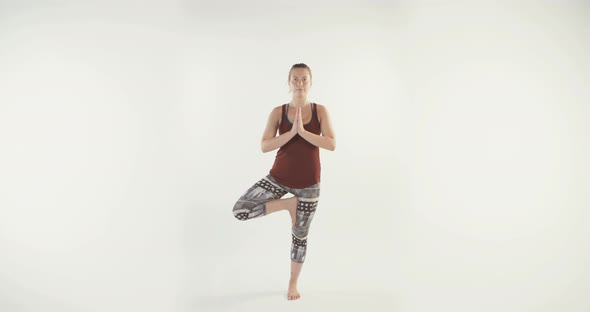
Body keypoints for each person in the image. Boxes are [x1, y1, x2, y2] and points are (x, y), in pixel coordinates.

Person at [232, 63, 336, 300]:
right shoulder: (278, 112)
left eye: (304, 79)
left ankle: (292, 284)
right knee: (241, 209)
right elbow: (264, 146)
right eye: (295, 79)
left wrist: (304, 132)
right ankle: (288, 204)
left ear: (311, 82)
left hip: (309, 185)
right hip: (278, 179)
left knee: (300, 236)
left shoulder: (320, 111)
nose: (300, 83)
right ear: (288, 82)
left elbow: (331, 143)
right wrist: (290, 133)